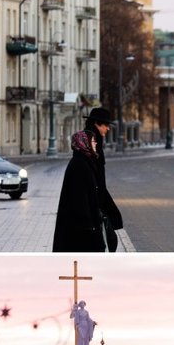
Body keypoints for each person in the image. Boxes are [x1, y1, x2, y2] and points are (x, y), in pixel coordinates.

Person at [52, 108, 122, 252]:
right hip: (82, 225)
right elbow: (81, 197)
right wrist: (90, 226)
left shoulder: (87, 156)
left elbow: (96, 185)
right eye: (105, 125)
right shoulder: (81, 163)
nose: (108, 128)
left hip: (89, 218)